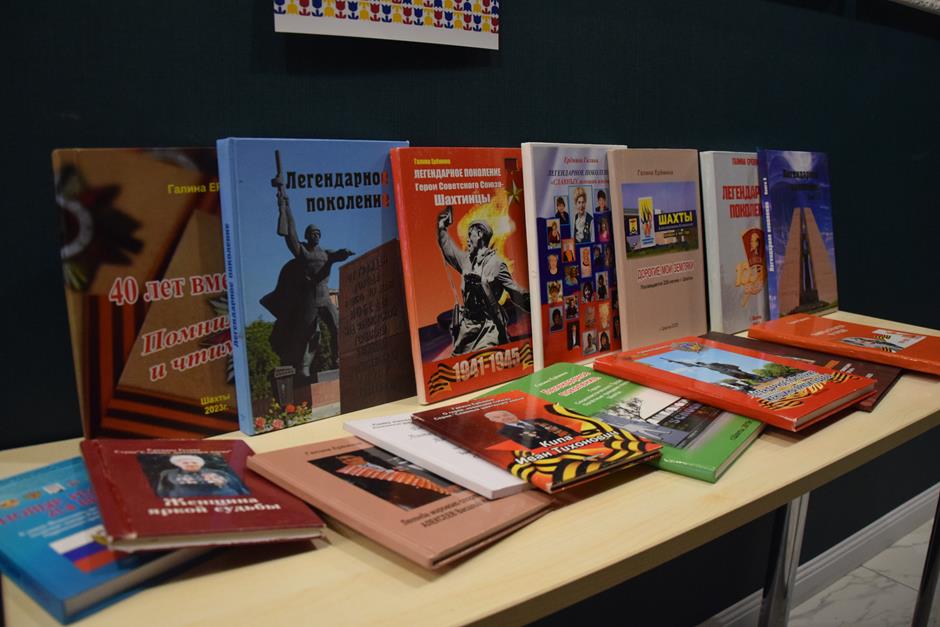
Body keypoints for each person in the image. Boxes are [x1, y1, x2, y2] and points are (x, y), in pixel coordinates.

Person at [261, 200, 354, 384]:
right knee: (309, 335)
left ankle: (338, 359)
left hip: (325, 299)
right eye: (312, 233)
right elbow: (291, 235)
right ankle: (303, 367)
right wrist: (285, 208)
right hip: (309, 302)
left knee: (336, 327)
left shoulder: (326, 254)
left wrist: (344, 253)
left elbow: (337, 255)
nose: (316, 236)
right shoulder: (302, 252)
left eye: (318, 233)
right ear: (307, 236)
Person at [437, 207, 530, 355]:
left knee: (486, 358)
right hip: (467, 330)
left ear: (480, 234)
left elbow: (515, 291)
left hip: (489, 327)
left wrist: (536, 304)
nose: (467, 239)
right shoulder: (466, 261)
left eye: (470, 235)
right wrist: (442, 227)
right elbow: (449, 250)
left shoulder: (497, 264)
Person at [156, 455, 249, 498]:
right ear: (178, 464)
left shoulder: (218, 472)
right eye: (185, 462)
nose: (190, 464)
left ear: (201, 464)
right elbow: (162, 491)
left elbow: (238, 486)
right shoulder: (168, 473)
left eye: (194, 462)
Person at [484, 409, 579, 449]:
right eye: (498, 417)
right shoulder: (503, 433)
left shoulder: (538, 420)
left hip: (575, 443)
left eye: (505, 414)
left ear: (512, 413)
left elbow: (568, 431)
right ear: (494, 420)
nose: (504, 417)